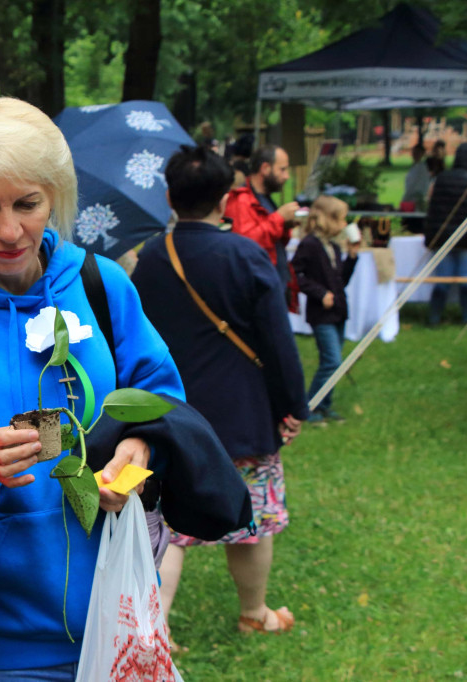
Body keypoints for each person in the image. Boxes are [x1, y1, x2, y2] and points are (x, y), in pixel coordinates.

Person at [0, 98, 246, 680]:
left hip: (123, 606)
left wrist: (135, 456)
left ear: (54, 194)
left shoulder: (100, 282)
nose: (10, 230)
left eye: (28, 204)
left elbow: (158, 395)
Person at [132, 145, 308, 639]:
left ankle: (155, 631)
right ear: (227, 198)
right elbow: (278, 341)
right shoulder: (246, 254)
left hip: (173, 413)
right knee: (251, 514)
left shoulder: (149, 257)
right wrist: (293, 405)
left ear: (169, 195)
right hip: (244, 415)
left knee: (173, 528)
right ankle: (255, 612)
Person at [291, 196, 359, 423]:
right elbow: (296, 275)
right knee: (332, 361)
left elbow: (341, 280)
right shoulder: (309, 245)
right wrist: (320, 294)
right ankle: (310, 406)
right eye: (341, 219)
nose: (344, 224)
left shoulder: (334, 246)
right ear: (328, 219)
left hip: (338, 311)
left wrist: (351, 257)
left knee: (333, 363)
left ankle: (324, 405)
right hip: (321, 314)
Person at [225, 144, 300, 307]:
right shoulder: (242, 200)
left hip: (277, 282)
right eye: (282, 169)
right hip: (259, 290)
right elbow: (246, 244)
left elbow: (272, 242)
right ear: (265, 168)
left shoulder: (265, 199)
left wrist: (286, 226)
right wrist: (279, 218)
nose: (286, 176)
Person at [423, 142, 467, 326]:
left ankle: (435, 317)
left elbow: (431, 206)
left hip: (442, 236)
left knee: (442, 279)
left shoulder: (441, 178)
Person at [402, 143, 429, 234]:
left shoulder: (422, 168)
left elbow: (420, 186)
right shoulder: (414, 167)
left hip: (417, 201)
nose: (415, 155)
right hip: (410, 201)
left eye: (417, 153)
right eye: (414, 152)